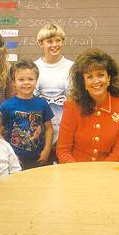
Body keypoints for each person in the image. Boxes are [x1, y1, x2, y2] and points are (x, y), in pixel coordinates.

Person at [56, 48, 119, 163]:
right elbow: (63, 150)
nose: (96, 81)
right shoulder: (71, 106)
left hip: (107, 173)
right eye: (89, 77)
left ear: (109, 78)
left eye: (100, 75)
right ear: (84, 82)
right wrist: (76, 172)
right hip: (75, 172)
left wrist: (100, 175)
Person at [0, 59, 54, 169]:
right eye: (21, 79)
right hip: (15, 158)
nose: (26, 83)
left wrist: (47, 150)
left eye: (30, 79)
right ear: (14, 82)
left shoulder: (42, 103)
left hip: (39, 157)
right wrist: (9, 154)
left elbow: (49, 128)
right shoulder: (6, 106)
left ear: (36, 81)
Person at [34, 24, 74, 163]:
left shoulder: (73, 67)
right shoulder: (34, 68)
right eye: (49, 41)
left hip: (67, 134)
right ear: (41, 43)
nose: (54, 45)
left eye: (58, 40)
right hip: (41, 135)